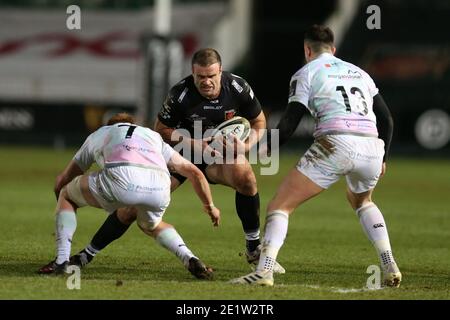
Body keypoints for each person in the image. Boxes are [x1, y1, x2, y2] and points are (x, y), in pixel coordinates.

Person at [63, 48, 284, 274]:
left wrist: (246, 146)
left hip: (217, 155)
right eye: (200, 77)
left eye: (211, 76)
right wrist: (194, 143)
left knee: (246, 178)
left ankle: (253, 248)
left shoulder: (237, 87)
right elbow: (161, 129)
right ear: (193, 73)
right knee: (133, 207)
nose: (206, 82)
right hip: (181, 154)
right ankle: (86, 254)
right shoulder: (180, 94)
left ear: (220, 71)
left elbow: (259, 122)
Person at [231, 25, 401, 287]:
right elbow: (387, 119)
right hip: (372, 147)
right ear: (333, 50)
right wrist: (384, 158)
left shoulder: (306, 72)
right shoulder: (360, 73)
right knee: (363, 201)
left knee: (280, 206)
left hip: (336, 143)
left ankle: (264, 271)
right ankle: (388, 263)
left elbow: (291, 120)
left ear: (307, 50)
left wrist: (266, 149)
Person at [38, 112, 220, 280]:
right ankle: (190, 258)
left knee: (66, 194)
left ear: (109, 125)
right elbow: (194, 172)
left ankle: (61, 261)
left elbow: (64, 178)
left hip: (122, 178)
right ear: (133, 125)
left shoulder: (100, 133)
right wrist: (210, 206)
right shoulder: (151, 135)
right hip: (160, 186)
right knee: (152, 224)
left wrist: (63, 212)